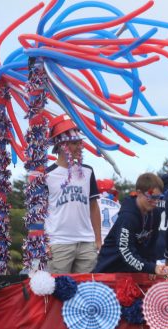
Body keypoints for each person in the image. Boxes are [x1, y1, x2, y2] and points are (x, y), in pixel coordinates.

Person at [45, 114, 101, 274]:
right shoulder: (47, 175)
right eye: (75, 143)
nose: (80, 147)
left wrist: (98, 239)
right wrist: (44, 243)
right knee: (59, 291)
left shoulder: (88, 171)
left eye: (80, 142)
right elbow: (37, 212)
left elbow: (94, 206)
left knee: (85, 291)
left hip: (87, 243)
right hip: (58, 243)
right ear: (62, 145)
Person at [94, 173, 168, 279]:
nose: (155, 202)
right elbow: (126, 251)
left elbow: (152, 246)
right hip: (109, 272)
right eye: (151, 197)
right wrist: (151, 268)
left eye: (159, 198)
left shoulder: (155, 213)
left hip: (133, 272)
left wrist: (152, 265)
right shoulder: (128, 217)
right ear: (139, 193)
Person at [96, 179, 121, 243]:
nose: (113, 195)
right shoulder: (119, 206)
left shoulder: (92, 204)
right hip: (114, 243)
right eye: (112, 193)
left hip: (95, 243)